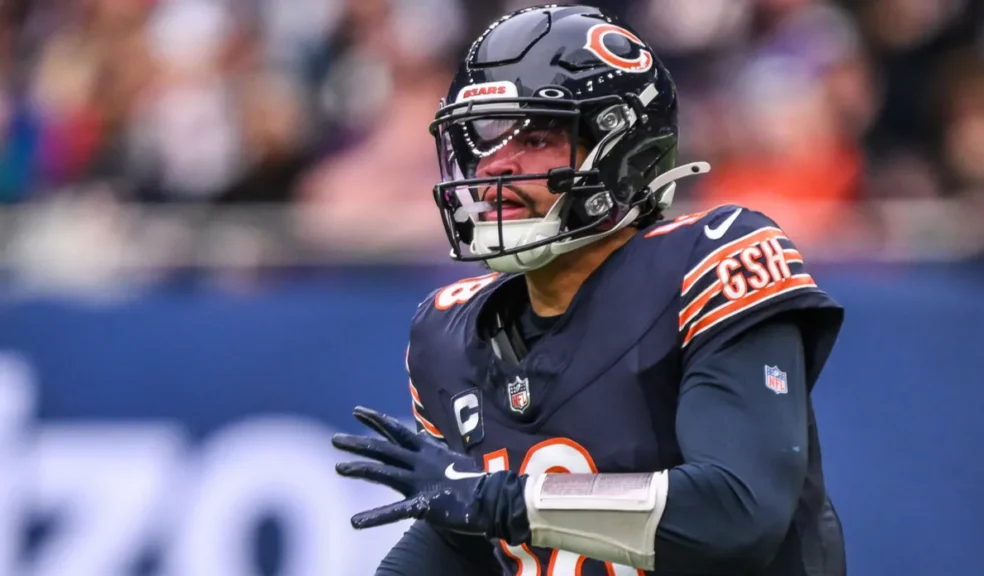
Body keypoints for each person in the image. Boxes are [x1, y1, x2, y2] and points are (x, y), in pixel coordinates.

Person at [331, 4, 846, 575]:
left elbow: (736, 514)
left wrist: (505, 501)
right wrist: (478, 506)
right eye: (483, 139)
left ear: (625, 151)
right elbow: (460, 539)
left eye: (538, 136)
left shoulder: (710, 261)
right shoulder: (449, 333)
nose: (496, 165)